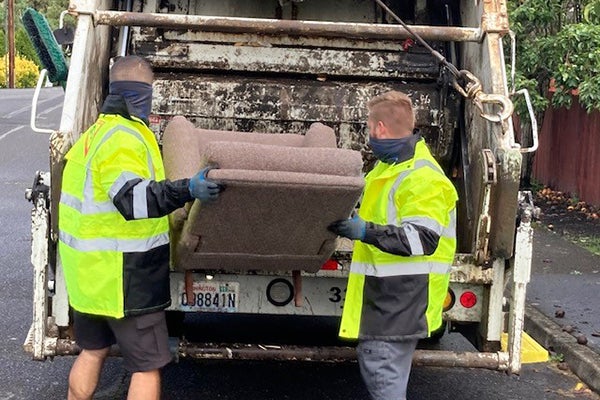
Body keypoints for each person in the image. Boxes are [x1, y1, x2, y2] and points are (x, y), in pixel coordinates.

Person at [58, 55, 222, 400]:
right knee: (146, 368)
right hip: (126, 280)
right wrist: (187, 189)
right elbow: (134, 200)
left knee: (92, 352)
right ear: (145, 94)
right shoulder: (124, 137)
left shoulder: (93, 135)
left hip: (91, 279)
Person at [328, 90, 458, 400]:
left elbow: (421, 239)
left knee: (383, 374)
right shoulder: (389, 168)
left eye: (370, 128)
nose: (370, 134)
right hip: (393, 298)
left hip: (401, 300)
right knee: (382, 371)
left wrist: (365, 232)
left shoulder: (422, 177)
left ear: (380, 129)